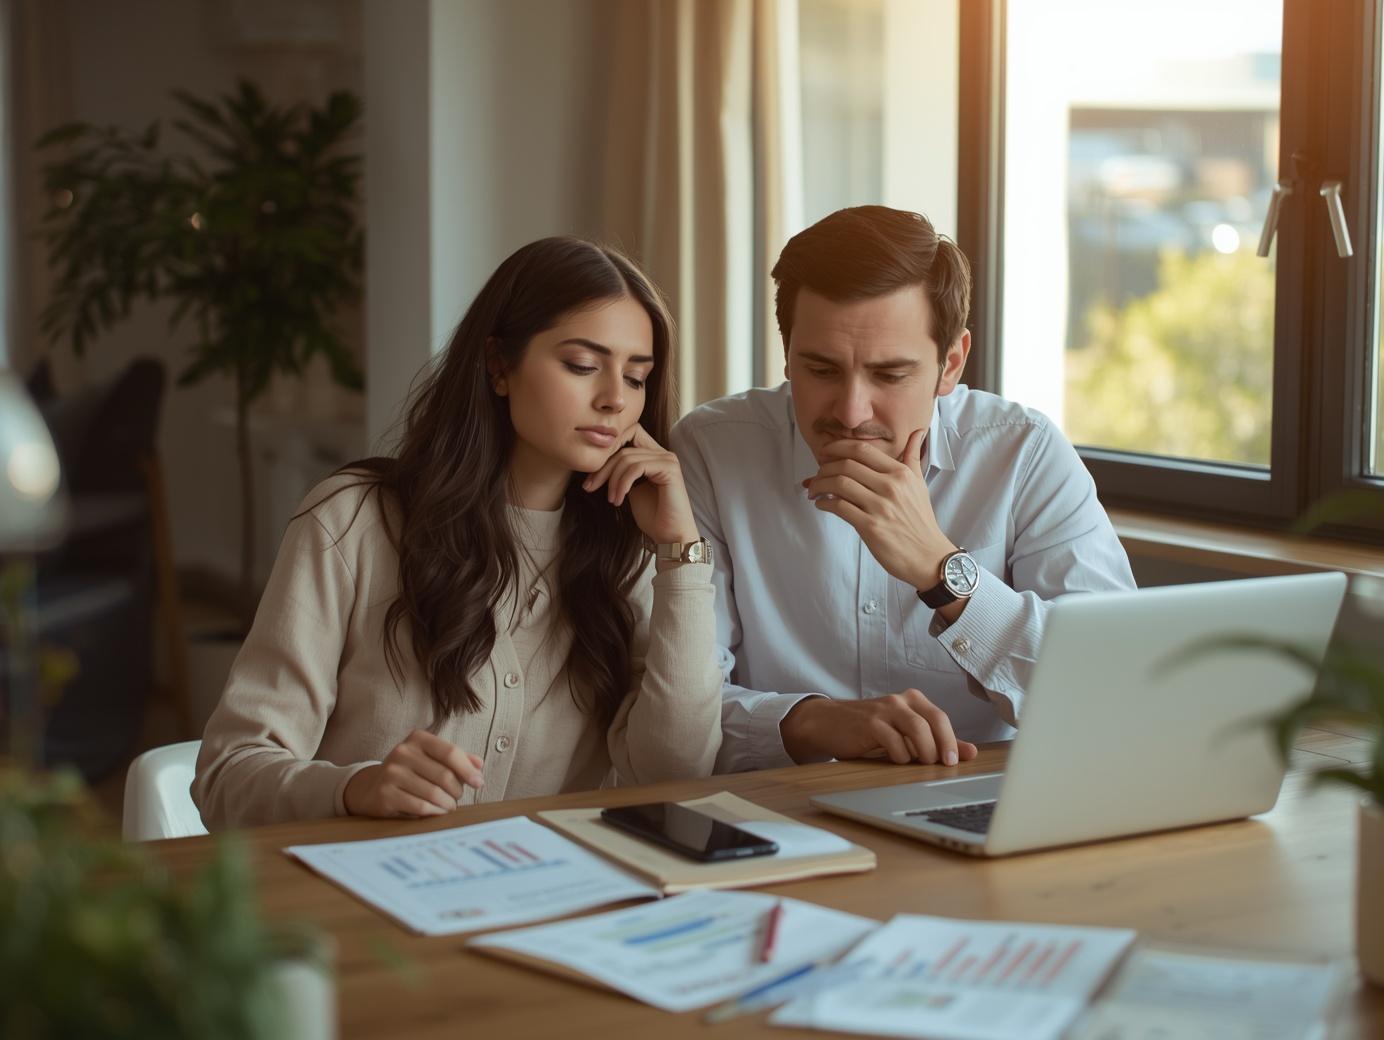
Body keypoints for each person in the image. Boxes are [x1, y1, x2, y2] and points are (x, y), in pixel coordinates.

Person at [193, 237, 722, 829]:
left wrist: (682, 552)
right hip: (358, 901)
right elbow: (226, 777)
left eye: (636, 377)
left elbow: (677, 774)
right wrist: (355, 788)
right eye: (582, 366)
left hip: (543, 899)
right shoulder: (353, 523)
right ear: (499, 366)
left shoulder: (633, 554)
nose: (614, 401)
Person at [669, 205, 1136, 774]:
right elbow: (671, 713)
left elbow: (1112, 695)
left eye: (889, 375)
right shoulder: (713, 451)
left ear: (951, 364)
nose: (850, 410)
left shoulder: (1024, 452)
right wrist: (812, 721)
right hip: (780, 816)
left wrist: (942, 571)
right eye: (821, 370)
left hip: (986, 810)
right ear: (787, 354)